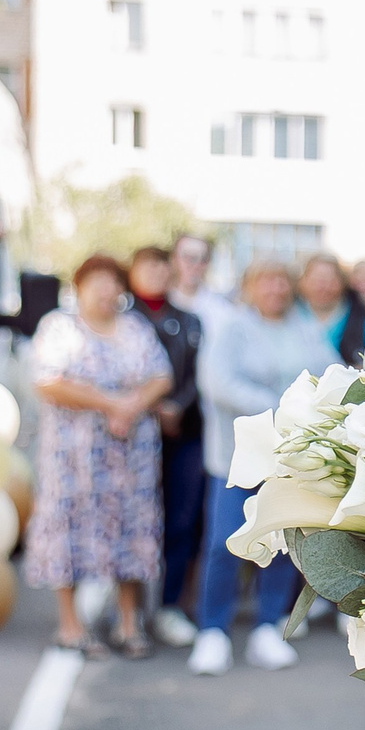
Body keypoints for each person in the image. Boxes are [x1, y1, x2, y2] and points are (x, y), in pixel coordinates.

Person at [192, 257, 338, 675]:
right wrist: (277, 409)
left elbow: (326, 373)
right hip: (237, 458)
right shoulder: (233, 328)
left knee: (282, 542)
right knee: (224, 543)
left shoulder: (305, 326)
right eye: (266, 282)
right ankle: (212, 632)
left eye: (281, 282)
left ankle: (268, 629)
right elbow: (218, 383)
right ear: (251, 287)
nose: (275, 290)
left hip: (291, 456)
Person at [27, 254, 171, 657]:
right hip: (74, 458)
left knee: (132, 530)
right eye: (98, 282)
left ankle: (128, 622)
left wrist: (131, 405)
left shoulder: (134, 328)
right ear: (80, 286)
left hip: (132, 457)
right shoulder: (59, 327)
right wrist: (109, 403)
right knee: (67, 529)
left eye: (114, 283)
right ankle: (70, 626)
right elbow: (48, 381)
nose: (107, 291)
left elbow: (161, 376)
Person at [128, 246, 207, 649]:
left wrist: (177, 406)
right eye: (148, 266)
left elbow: (200, 374)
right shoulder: (124, 321)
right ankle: (129, 609)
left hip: (186, 433)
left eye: (162, 266)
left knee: (181, 521)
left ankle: (171, 603)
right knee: (134, 521)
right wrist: (152, 405)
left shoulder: (190, 321)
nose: (157, 273)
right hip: (133, 437)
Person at [294, 252, 365, 369]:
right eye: (317, 280)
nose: (323, 287)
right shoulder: (289, 313)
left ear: (342, 282)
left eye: (330, 280)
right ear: (303, 282)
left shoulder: (364, 316)